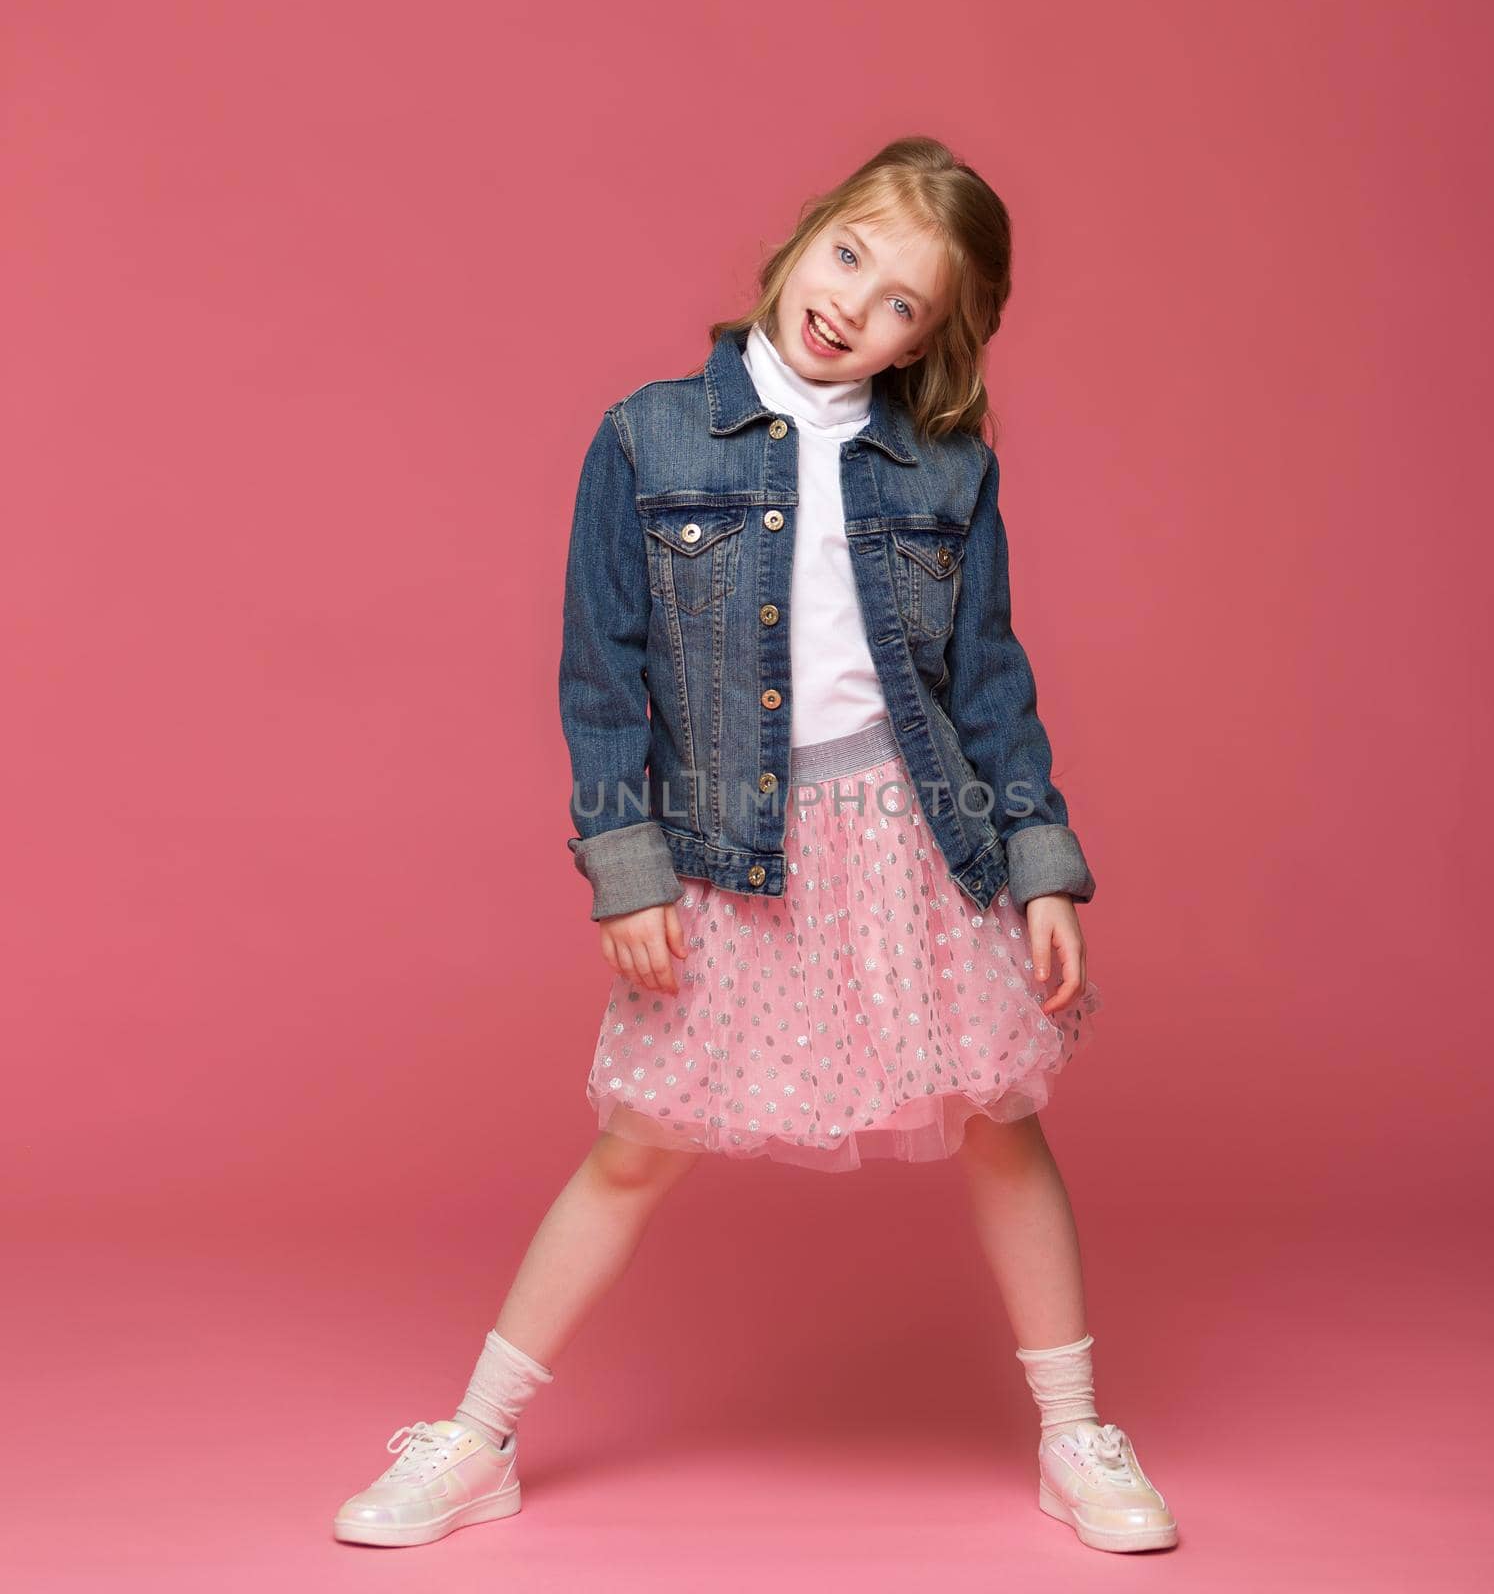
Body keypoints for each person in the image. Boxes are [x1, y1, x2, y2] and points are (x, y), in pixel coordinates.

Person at [332, 135, 1178, 1556]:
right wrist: (630, 867)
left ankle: (1077, 1432)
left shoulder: (947, 467)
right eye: (850, 255)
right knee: (636, 1149)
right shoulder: (647, 439)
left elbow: (990, 683)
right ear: (802, 240)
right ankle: (474, 1440)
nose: (855, 305)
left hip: (919, 846)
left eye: (904, 301)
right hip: (735, 852)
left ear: (940, 339)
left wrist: (1040, 861)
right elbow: (602, 678)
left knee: (999, 1127)